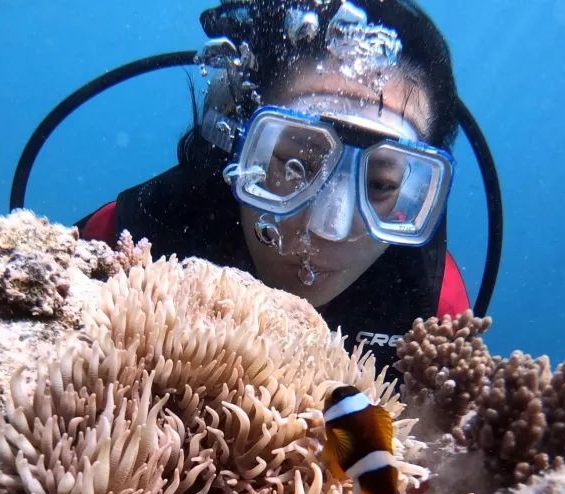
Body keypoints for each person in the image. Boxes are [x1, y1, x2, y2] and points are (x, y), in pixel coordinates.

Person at [76, 0, 471, 372]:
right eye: (295, 164)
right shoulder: (135, 233)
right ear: (236, 144)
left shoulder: (435, 312)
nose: (327, 227)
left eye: (382, 184)